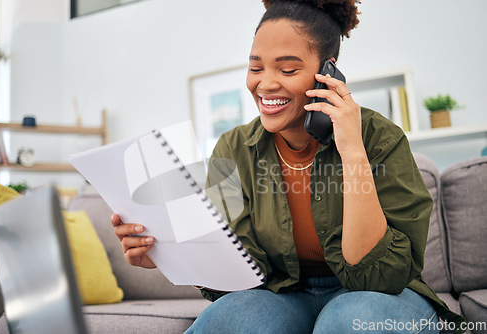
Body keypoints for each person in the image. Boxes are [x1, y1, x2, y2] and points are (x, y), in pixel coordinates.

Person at [112, 0, 465, 332]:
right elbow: (243, 273)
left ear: (328, 72)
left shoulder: (381, 140)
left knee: (351, 320)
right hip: (284, 294)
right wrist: (170, 257)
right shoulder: (233, 148)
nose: (265, 84)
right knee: (231, 320)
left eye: (288, 69)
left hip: (376, 293)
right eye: (255, 67)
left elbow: (382, 277)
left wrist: (353, 150)